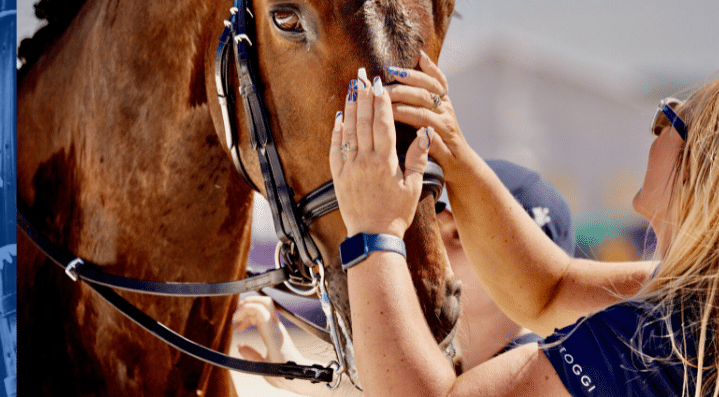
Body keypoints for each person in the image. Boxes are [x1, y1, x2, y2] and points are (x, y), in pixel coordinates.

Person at [327, 56, 719, 397]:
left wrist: (373, 229)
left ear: (705, 170)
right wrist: (455, 153)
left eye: (669, 119)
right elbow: (550, 290)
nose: (656, 128)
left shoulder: (651, 337)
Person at [232, 160, 585, 394]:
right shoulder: (475, 369)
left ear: (526, 268)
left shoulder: (540, 375)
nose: (431, 246)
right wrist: (300, 370)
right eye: (429, 223)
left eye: (458, 233)